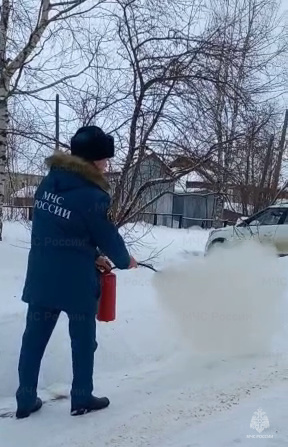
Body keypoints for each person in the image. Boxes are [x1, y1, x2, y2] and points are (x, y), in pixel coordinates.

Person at [16, 126, 138, 419]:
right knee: (83, 342)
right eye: (105, 160)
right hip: (76, 285)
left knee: (33, 341)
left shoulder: (48, 184)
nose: (107, 165)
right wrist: (124, 260)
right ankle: (81, 397)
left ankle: (25, 400)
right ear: (94, 160)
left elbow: (63, 228)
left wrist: (92, 255)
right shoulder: (92, 196)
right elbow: (105, 234)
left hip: (42, 278)